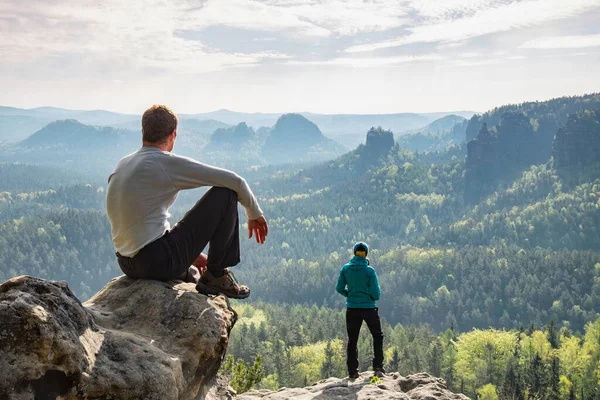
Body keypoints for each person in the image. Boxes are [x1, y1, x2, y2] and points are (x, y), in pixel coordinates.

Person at [106, 104, 268, 299]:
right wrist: (254, 214)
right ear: (173, 134)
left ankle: (199, 275)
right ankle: (216, 274)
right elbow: (235, 181)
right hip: (157, 261)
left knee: (193, 276)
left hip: (127, 263)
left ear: (143, 131)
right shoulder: (163, 162)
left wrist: (192, 255)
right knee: (225, 194)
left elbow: (140, 223)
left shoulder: (123, 163)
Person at [336, 242, 384, 379]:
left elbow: (339, 288)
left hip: (352, 308)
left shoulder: (346, 269)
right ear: (366, 254)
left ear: (354, 253)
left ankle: (353, 371)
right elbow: (376, 294)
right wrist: (370, 297)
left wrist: (349, 295)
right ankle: (378, 367)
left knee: (352, 339)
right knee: (377, 336)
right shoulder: (370, 271)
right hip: (369, 308)